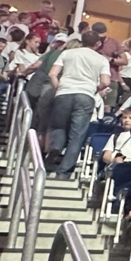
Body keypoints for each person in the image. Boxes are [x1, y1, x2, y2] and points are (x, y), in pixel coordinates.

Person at [44, 30, 111, 177]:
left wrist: (58, 88)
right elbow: (105, 82)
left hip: (64, 92)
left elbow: (52, 74)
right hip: (85, 94)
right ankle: (64, 170)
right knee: (77, 134)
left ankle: (54, 150)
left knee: (59, 127)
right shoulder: (101, 59)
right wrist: (94, 88)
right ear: (98, 43)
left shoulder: (68, 53)